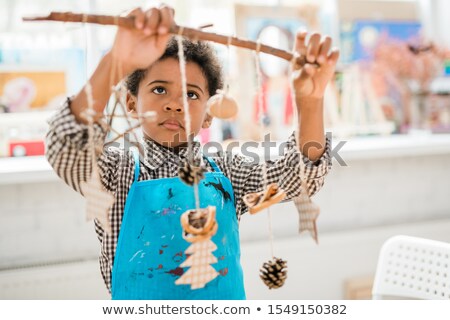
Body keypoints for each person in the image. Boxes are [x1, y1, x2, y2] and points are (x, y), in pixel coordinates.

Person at [46, 6, 338, 299]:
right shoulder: (115, 172)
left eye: (192, 94)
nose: (175, 104)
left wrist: (310, 101)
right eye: (160, 89)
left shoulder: (226, 172)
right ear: (131, 103)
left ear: (210, 113)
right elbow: (67, 148)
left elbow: (299, 177)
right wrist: (116, 62)